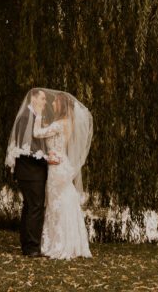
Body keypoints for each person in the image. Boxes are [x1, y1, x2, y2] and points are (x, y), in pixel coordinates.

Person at [5, 88, 93, 259]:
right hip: (42, 168)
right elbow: (29, 145)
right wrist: (47, 156)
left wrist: (48, 154)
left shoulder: (58, 123)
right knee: (46, 205)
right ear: (34, 99)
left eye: (51, 100)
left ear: (62, 105)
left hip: (55, 168)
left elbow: (38, 136)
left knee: (50, 204)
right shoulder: (26, 118)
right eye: (43, 99)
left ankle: (50, 244)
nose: (48, 102)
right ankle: (36, 246)